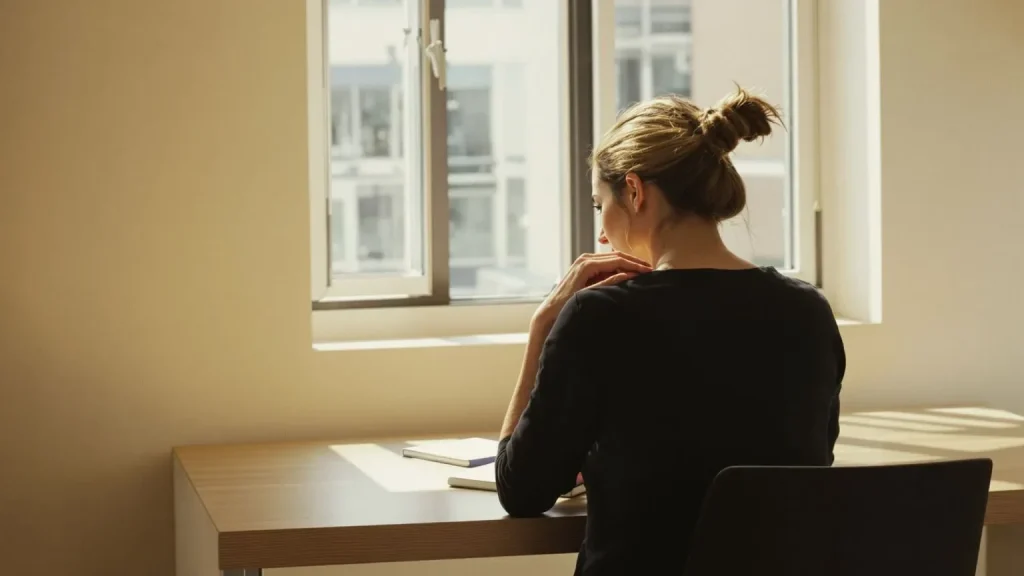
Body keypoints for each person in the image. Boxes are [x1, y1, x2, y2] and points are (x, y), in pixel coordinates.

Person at [494, 87, 846, 575]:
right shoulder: (808, 311)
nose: (601, 234)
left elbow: (521, 491)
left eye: (600, 206)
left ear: (635, 192)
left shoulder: (599, 318)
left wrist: (541, 328)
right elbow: (808, 467)